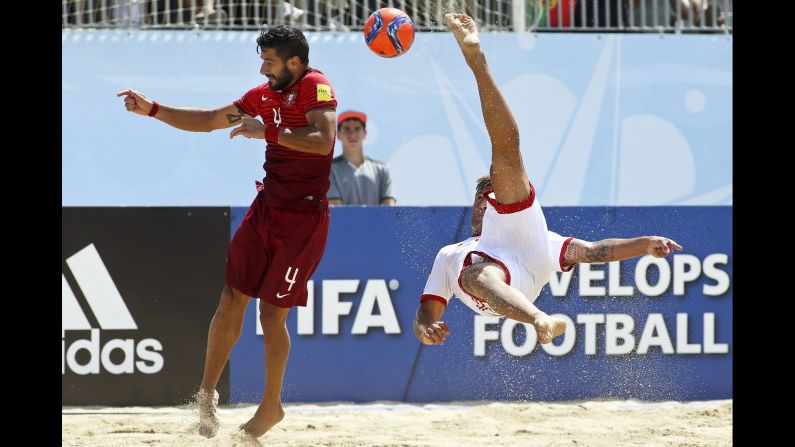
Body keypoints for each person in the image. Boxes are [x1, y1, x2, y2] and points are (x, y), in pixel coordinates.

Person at [116, 25, 337, 440]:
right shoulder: (262, 95)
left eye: (269, 62)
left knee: (272, 314)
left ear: (293, 62)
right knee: (232, 296)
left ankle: (271, 408)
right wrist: (153, 110)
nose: (262, 69)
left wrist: (266, 131)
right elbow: (210, 121)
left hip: (303, 220)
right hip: (267, 207)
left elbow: (324, 142)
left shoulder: (315, 86)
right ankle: (205, 395)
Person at [413, 14, 683, 347]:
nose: (486, 202)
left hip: (522, 250)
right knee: (474, 274)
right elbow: (426, 313)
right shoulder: (448, 254)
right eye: (481, 198)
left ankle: (477, 63)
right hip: (498, 277)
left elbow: (594, 252)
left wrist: (644, 244)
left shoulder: (538, 236)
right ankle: (539, 319)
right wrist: (426, 330)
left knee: (507, 151)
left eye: (490, 195)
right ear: (473, 206)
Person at [328, 110, 396, 206]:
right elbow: (337, 209)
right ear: (338, 134)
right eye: (346, 129)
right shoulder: (329, 170)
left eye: (357, 129)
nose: (352, 134)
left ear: (365, 133)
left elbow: (389, 208)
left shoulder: (382, 169)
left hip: (376, 221)